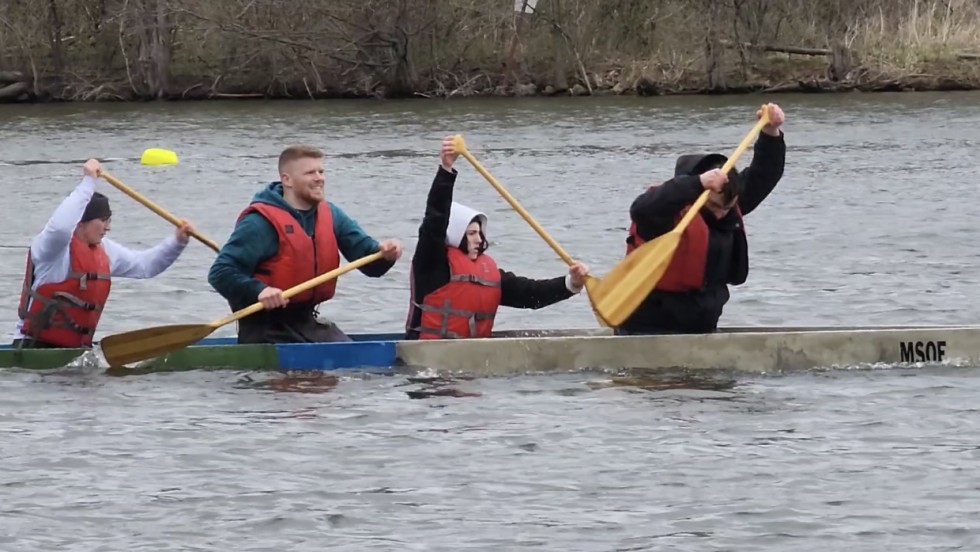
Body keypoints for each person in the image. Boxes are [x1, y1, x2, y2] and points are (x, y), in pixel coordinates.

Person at [616, 103, 787, 335]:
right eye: (714, 206)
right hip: (647, 328)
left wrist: (770, 133)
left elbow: (763, 175)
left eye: (726, 208)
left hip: (701, 326)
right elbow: (641, 209)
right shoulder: (663, 215)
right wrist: (698, 183)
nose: (720, 214)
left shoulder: (728, 204)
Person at [208, 144, 402, 344]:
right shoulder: (259, 223)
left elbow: (371, 264)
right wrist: (260, 290)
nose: (319, 178)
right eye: (310, 173)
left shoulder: (331, 214)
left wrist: (386, 253)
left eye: (321, 172)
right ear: (287, 180)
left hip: (307, 322)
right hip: (265, 329)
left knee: (360, 357)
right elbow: (220, 273)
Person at [404, 136, 590, 340]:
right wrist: (446, 170)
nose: (479, 240)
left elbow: (531, 294)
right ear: (455, 236)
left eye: (480, 233)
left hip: (469, 357)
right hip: (423, 355)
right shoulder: (431, 264)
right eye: (471, 234)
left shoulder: (489, 274)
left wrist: (572, 283)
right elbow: (435, 218)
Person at [14, 158, 195, 349]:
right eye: (103, 220)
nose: (108, 227)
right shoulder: (51, 248)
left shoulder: (106, 250)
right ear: (81, 222)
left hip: (74, 350)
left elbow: (145, 266)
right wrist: (88, 181)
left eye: (109, 220)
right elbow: (60, 227)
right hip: (31, 346)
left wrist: (178, 241)